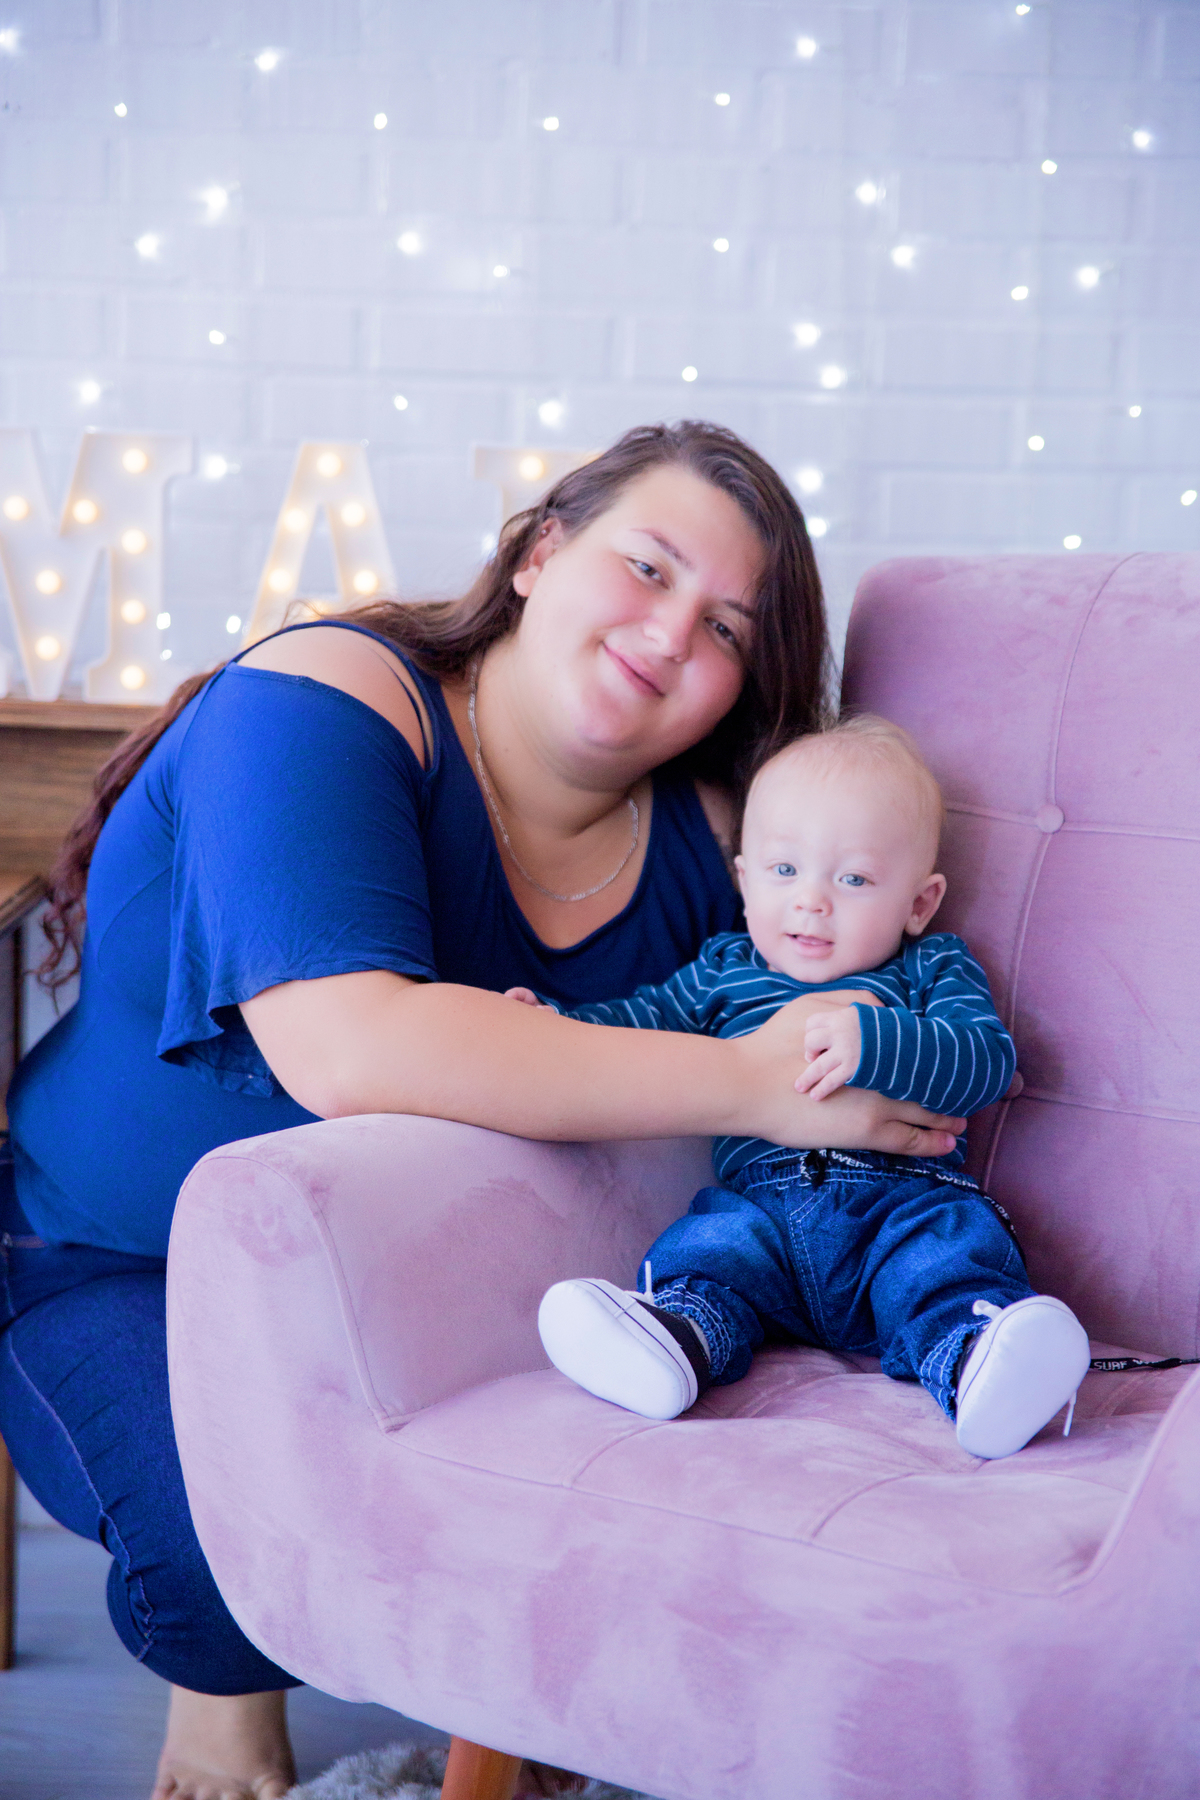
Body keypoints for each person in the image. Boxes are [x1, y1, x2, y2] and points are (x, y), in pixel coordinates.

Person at [0, 423, 966, 1800]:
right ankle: (221, 1691)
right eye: (646, 565)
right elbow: (349, 1046)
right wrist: (757, 1080)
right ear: (537, 550)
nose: (669, 631)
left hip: (441, 1296)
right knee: (224, 1584)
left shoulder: (712, 847)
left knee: (616, 1499)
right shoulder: (323, 695)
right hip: (114, 1257)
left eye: (727, 630)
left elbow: (812, 1047)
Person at [527, 719, 1091, 1457]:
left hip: (902, 1203)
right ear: (743, 880)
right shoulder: (723, 970)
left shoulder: (930, 967)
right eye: (784, 871)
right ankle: (674, 1338)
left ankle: (979, 1363)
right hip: (762, 1203)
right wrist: (556, 1020)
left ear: (919, 904)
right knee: (712, 1250)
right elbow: (635, 1023)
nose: (812, 901)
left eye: (852, 878)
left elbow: (985, 1061)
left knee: (943, 1265)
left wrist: (879, 1041)